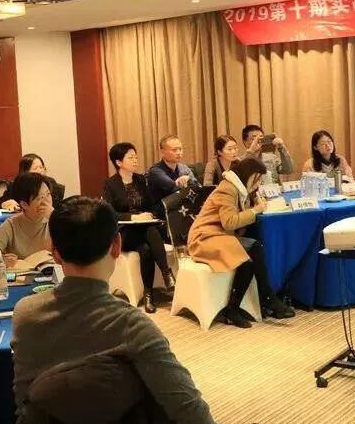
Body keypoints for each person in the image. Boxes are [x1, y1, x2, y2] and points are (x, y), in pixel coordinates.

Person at [12, 197, 265, 424]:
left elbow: (24, 403)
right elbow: (188, 409)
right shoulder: (132, 326)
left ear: (55, 253)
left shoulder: (25, 314)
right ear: (116, 246)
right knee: (163, 394)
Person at [188, 158, 295, 328]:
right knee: (246, 260)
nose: (258, 184)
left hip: (220, 236)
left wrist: (253, 207)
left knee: (255, 247)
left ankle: (251, 302)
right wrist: (255, 210)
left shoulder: (240, 189)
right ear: (250, 175)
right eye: (257, 179)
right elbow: (229, 222)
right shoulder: (228, 188)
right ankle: (260, 300)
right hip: (205, 238)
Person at [102, 142, 176, 313]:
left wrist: (150, 214)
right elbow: (109, 212)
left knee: (146, 248)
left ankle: (148, 294)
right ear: (118, 162)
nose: (135, 160)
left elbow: (151, 205)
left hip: (144, 230)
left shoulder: (141, 180)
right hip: (124, 233)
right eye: (131, 157)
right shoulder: (110, 184)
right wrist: (133, 217)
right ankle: (167, 274)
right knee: (149, 232)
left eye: (136, 157)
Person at [0, 172, 53, 266]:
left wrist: (54, 218)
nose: (47, 201)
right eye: (40, 198)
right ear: (24, 204)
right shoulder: (11, 225)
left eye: (48, 194)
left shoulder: (56, 220)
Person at [0, 153, 65, 211]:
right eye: (35, 168)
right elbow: (1, 201)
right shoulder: (16, 185)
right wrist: (5, 204)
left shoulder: (50, 183)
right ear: (25, 172)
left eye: (41, 167)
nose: (40, 171)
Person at [147, 135, 199, 207]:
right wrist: (186, 182)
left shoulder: (184, 168)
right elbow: (175, 188)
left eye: (180, 149)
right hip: (163, 210)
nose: (178, 152)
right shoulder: (155, 171)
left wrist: (188, 178)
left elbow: (197, 187)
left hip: (182, 207)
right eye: (174, 150)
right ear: (162, 152)